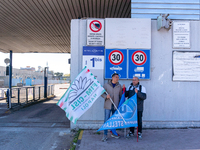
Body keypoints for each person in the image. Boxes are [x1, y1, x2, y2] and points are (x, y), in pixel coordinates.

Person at [101, 73, 122, 142]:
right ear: (112, 78)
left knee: (114, 120)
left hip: (115, 106)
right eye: (116, 77)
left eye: (118, 77)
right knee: (106, 120)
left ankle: (113, 133)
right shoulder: (106, 85)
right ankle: (105, 135)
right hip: (108, 105)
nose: (117, 78)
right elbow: (101, 93)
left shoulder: (119, 86)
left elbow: (121, 96)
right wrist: (106, 96)